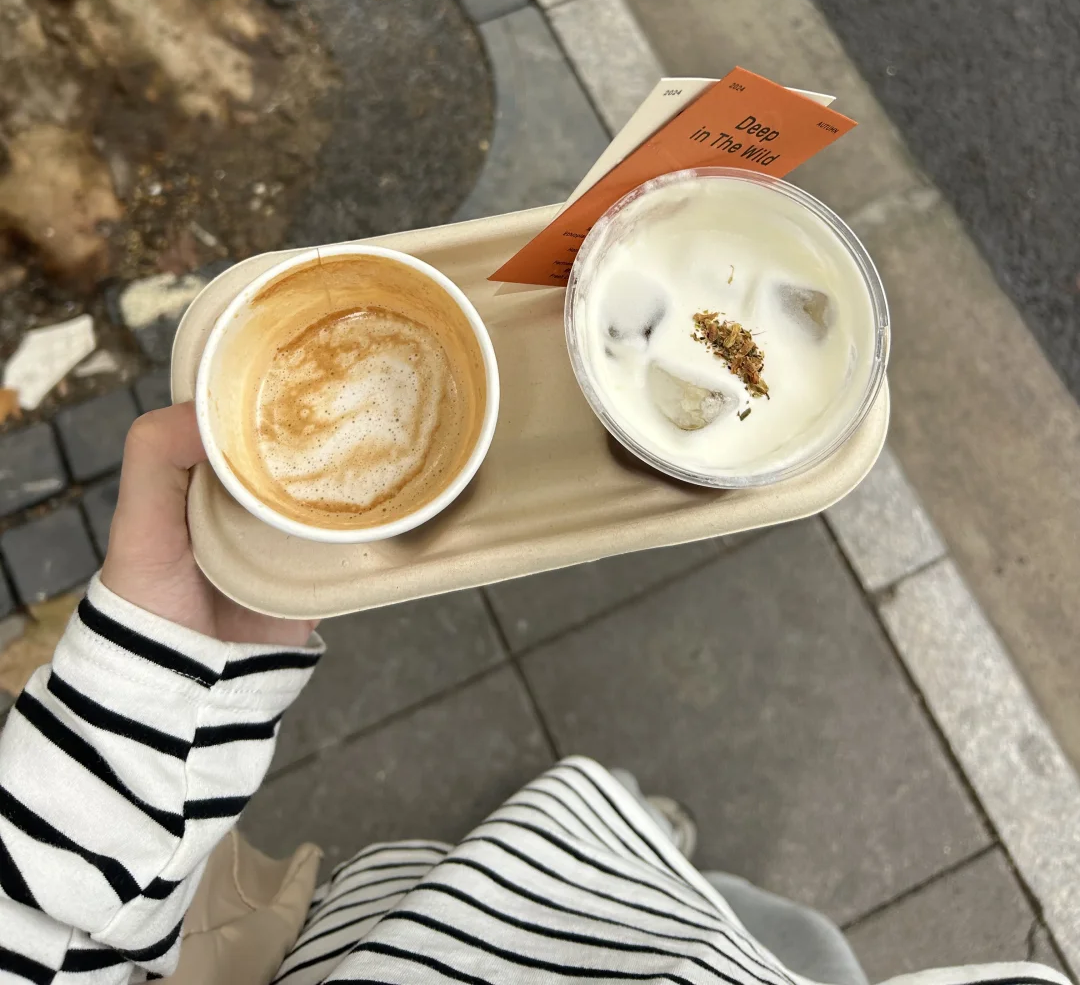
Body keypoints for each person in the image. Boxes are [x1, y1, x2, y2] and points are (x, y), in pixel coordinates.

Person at [0, 405, 1066, 985]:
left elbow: (28, 928)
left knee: (585, 862)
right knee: (767, 936)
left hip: (387, 923)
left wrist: (146, 684)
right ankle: (632, 852)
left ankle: (598, 841)